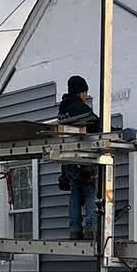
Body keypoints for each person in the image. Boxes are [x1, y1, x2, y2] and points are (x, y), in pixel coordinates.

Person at [58, 75, 101, 240]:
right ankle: (90, 229)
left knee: (75, 191)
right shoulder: (80, 108)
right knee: (90, 191)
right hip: (83, 157)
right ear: (79, 92)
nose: (86, 96)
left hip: (67, 159)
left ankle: (75, 230)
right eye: (85, 92)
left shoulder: (63, 109)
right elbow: (97, 124)